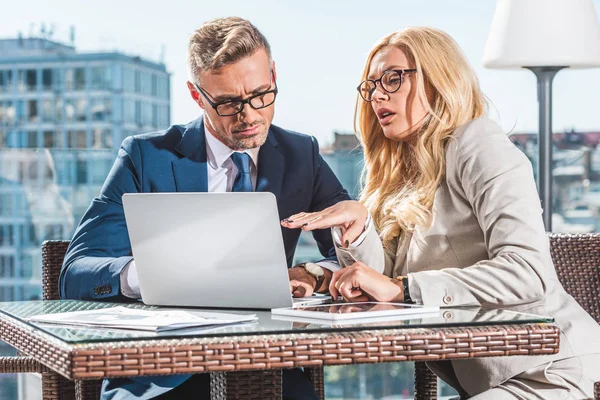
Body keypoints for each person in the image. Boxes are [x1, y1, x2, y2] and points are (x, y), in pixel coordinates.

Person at [282, 27, 600, 399]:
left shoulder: (479, 144)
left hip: (554, 371)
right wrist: (357, 230)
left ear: (438, 80)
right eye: (371, 86)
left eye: (393, 78)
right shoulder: (403, 172)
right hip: (493, 381)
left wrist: (403, 288)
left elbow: (529, 272)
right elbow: (386, 281)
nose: (377, 94)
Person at [59, 17, 352, 400]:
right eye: (229, 103)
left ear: (274, 74)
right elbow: (76, 272)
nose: (249, 115)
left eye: (261, 94)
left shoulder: (301, 154)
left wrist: (312, 272)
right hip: (158, 374)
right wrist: (151, 274)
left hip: (266, 369)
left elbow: (348, 253)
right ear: (197, 96)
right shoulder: (146, 157)